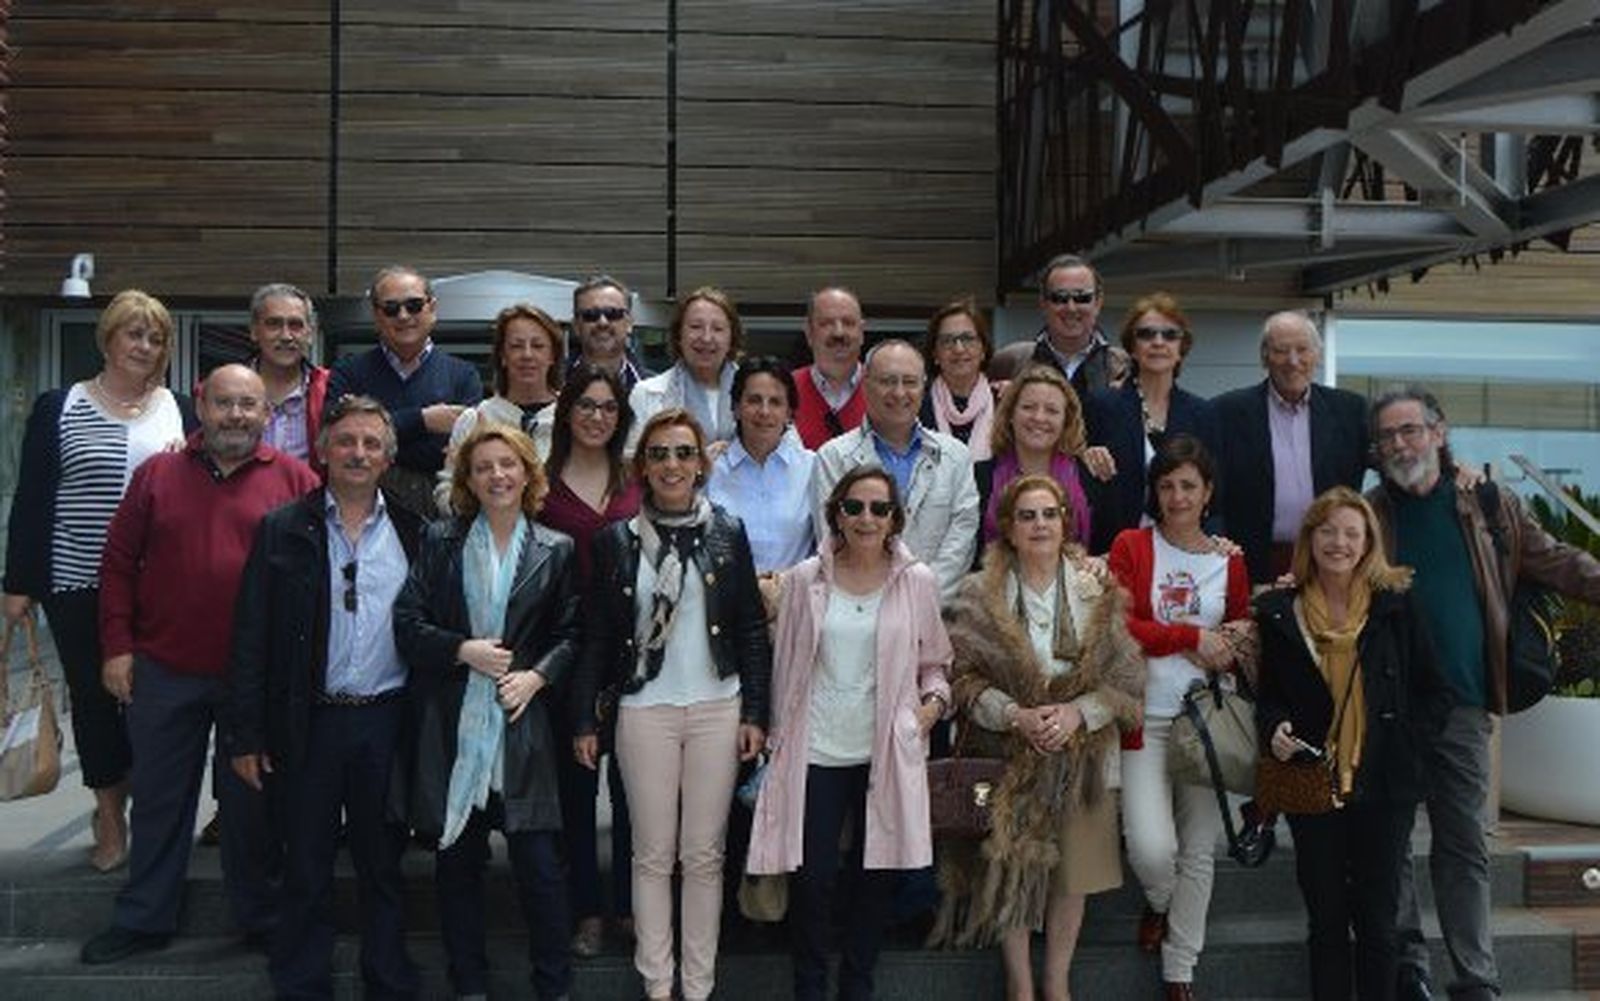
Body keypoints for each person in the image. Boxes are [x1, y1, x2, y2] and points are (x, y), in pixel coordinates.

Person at [1365, 385, 1600, 1001]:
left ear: (1439, 433)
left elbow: (1560, 562)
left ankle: (1475, 979)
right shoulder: (1369, 513)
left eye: (1410, 430)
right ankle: (1407, 964)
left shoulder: (1490, 506)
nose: (1399, 444)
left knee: (1463, 845)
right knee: (1390, 844)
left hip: (1464, 705)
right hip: (1387, 707)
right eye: (1387, 435)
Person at [80, 364, 320, 965]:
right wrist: (116, 647)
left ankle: (259, 917)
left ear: (267, 414)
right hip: (166, 667)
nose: (236, 415)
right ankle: (144, 918)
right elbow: (115, 566)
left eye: (248, 405)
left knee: (252, 809)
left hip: (256, 681)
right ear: (201, 405)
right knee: (161, 800)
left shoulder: (296, 479)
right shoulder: (157, 474)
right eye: (224, 404)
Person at [228, 396, 423, 999]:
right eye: (346, 441)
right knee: (306, 863)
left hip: (387, 721)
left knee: (382, 864)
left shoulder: (418, 531)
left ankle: (387, 977)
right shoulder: (284, 528)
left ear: (388, 456)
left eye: (370, 443)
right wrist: (247, 734)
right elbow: (251, 636)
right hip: (308, 722)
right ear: (322, 450)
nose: (358, 453)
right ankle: (301, 979)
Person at [573, 409, 771, 1001]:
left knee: (704, 856)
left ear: (700, 464)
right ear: (642, 467)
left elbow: (751, 632)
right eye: (659, 454)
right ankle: (658, 985)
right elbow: (600, 638)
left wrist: (755, 713)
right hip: (645, 711)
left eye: (683, 453)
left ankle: (699, 985)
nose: (672, 465)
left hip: (718, 707)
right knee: (652, 855)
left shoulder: (728, 532)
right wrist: (585, 717)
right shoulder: (615, 541)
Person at [3, 289, 196, 874]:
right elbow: (34, 498)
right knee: (93, 700)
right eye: (134, 333)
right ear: (108, 338)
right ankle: (110, 814)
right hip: (76, 578)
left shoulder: (181, 410)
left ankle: (145, 800)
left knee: (151, 702)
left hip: (157, 587)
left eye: (156, 337)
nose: (145, 346)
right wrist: (18, 584)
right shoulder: (59, 406)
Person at [747, 465, 953, 1001]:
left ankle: (857, 985)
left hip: (884, 749)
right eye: (855, 507)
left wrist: (928, 711)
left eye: (879, 508)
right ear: (836, 511)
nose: (866, 518)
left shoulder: (917, 581)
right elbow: (783, 663)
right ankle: (810, 987)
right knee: (812, 880)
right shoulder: (804, 579)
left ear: (894, 518)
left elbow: (936, 664)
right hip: (814, 750)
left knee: (875, 878)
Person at [934, 474, 1143, 1001]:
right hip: (1007, 751)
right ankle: (1020, 985)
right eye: (1026, 516)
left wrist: (1078, 713)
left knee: (1073, 873)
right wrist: (1012, 716)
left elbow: (1125, 680)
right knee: (1010, 865)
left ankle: (1057, 979)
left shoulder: (1096, 587)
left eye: (1049, 514)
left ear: (1065, 520)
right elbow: (962, 680)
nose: (1039, 525)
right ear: (1007, 525)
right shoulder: (978, 593)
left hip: (1082, 757)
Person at [394, 423, 579, 1001]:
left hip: (523, 727)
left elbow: (574, 632)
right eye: (484, 467)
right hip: (454, 727)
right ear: (469, 480)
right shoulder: (440, 540)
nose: (497, 475)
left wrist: (538, 674)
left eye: (508, 464)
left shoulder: (557, 547)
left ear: (528, 472)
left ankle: (554, 986)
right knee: (457, 871)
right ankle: (468, 983)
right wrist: (460, 649)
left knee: (542, 873)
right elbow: (406, 624)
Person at [1256, 487, 1450, 1001]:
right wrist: (1274, 728)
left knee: (1379, 922)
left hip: (1385, 784)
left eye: (1351, 533)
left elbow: (1436, 691)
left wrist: (1408, 744)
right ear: (1310, 538)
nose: (1338, 542)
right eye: (1328, 531)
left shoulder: (1397, 605)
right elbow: (1269, 697)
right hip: (1311, 782)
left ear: (1368, 543)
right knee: (1326, 921)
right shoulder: (1279, 611)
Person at [1107, 434, 1251, 1001]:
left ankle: (1180, 966)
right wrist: (1190, 637)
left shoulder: (1228, 561)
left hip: (1208, 723)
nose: (1177, 496)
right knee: (1149, 848)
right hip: (1146, 715)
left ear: (1207, 491)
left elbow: (1240, 633)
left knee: (1198, 849)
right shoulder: (1131, 546)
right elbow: (1120, 625)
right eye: (1166, 485)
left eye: (1188, 485)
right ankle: (1162, 903)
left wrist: (1225, 643)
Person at [537, 365, 641, 957]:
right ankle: (586, 910)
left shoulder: (637, 478)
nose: (597, 416)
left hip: (631, 654)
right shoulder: (542, 484)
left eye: (608, 407)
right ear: (567, 413)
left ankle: (627, 905)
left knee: (633, 793)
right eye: (586, 406)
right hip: (569, 652)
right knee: (576, 795)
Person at [812, 340, 980, 597]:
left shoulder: (955, 456)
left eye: (910, 382)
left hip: (936, 611)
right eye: (888, 381)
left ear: (923, 386)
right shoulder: (833, 457)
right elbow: (831, 539)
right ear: (865, 385)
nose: (900, 392)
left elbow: (961, 540)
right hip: (859, 609)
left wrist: (920, 599)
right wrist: (878, 601)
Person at [1213, 311, 1368, 583]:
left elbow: (1395, 458)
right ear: (1264, 357)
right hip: (1253, 562)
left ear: (1317, 355)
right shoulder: (1227, 412)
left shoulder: (1350, 411)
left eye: (1302, 349)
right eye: (1281, 351)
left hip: (1332, 560)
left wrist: (1449, 465)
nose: (1293, 361)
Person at [324, 264, 483, 518]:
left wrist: (377, 434)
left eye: (414, 305)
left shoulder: (464, 375)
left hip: (440, 518)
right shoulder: (347, 373)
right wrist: (423, 420)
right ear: (376, 315)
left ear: (432, 308)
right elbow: (336, 441)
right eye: (390, 308)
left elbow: (465, 457)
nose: (403, 316)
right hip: (363, 514)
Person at [1086, 292, 1221, 555]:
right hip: (1113, 551)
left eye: (1170, 335)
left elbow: (1216, 496)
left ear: (1182, 348)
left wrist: (1213, 545)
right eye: (1146, 334)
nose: (1158, 342)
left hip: (1181, 554)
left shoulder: (1203, 414)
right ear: (1132, 348)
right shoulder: (1101, 406)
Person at [435, 304, 565, 513]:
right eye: (516, 346)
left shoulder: (572, 418)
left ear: (552, 356)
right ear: (502, 356)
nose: (527, 354)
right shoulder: (475, 420)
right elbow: (447, 492)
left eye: (538, 346)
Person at [706, 357, 817, 574]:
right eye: (754, 400)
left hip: (793, 599)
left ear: (789, 414)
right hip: (725, 602)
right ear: (736, 408)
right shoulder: (710, 469)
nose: (764, 411)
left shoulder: (812, 468)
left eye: (775, 402)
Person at [977, 365, 1097, 553]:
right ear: (1010, 414)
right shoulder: (978, 478)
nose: (1039, 417)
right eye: (1028, 407)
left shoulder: (1091, 475)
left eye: (1051, 410)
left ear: (1066, 420)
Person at [988, 253, 1125, 396]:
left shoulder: (1124, 368)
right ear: (1043, 303)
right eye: (1059, 298)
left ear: (1098, 302)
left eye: (1082, 298)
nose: (1071, 308)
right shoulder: (1010, 363)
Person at [627, 286, 742, 453]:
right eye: (696, 327)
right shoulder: (646, 393)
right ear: (678, 335)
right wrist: (698, 462)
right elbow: (634, 461)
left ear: (732, 338)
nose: (706, 337)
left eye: (717, 329)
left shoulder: (757, 392)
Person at [244, 282, 330, 466]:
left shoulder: (331, 389)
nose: (286, 336)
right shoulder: (224, 391)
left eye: (295, 325)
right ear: (254, 331)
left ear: (310, 333)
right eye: (274, 324)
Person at [918, 297, 997, 461]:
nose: (959, 349)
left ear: (983, 349)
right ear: (935, 354)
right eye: (947, 341)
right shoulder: (916, 406)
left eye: (968, 338)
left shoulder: (1005, 404)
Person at [792, 287, 868, 449]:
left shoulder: (884, 390)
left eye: (848, 323)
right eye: (826, 323)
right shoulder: (784, 389)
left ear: (861, 332)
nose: (838, 333)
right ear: (809, 333)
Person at [567, 274, 651, 394]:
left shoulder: (658, 392)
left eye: (613, 314)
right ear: (576, 326)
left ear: (629, 323)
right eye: (591, 315)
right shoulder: (554, 384)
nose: (603, 322)